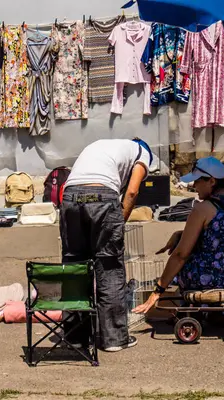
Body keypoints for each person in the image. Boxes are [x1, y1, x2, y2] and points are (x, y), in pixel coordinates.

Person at [60, 138, 153, 352]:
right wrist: (118, 222)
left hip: (70, 196)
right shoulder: (143, 153)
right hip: (102, 197)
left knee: (75, 265)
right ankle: (114, 339)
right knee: (109, 266)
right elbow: (131, 192)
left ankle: (76, 337)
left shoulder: (104, 145)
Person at [133, 156, 224, 314]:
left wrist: (157, 291)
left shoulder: (202, 208)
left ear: (211, 181)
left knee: (181, 266)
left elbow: (180, 255)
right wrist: (180, 234)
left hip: (218, 278)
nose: (194, 186)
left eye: (197, 181)